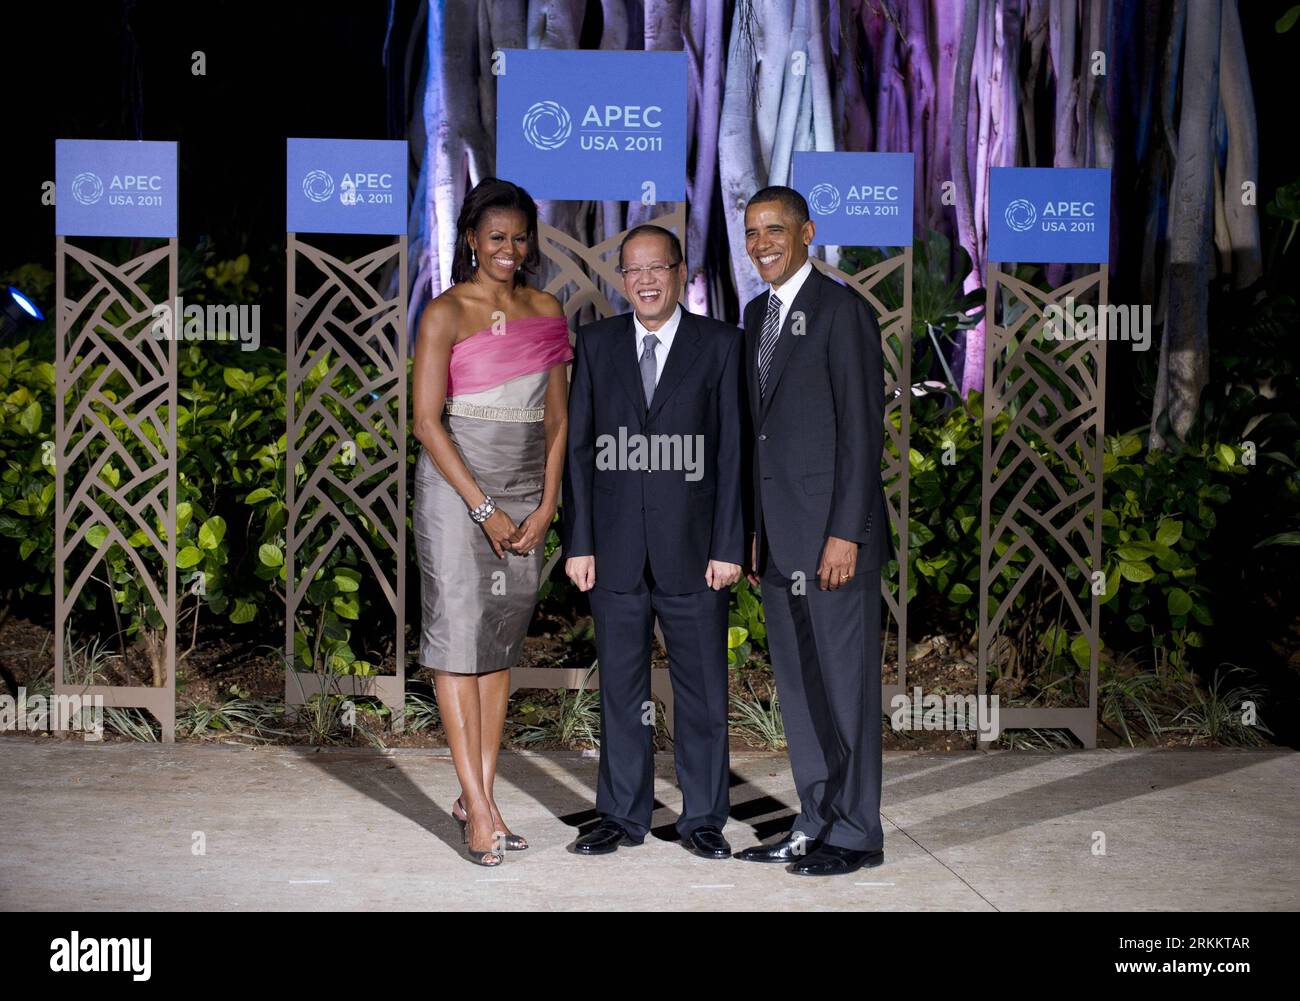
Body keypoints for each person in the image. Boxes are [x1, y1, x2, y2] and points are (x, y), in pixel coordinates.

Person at [561, 224, 744, 859]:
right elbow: (580, 452)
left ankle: (702, 820)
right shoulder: (597, 343)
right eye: (633, 270)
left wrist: (730, 546)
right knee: (619, 691)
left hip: (696, 553)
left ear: (679, 272)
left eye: (656, 268)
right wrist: (578, 542)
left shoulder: (720, 345)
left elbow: (731, 455)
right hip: (612, 550)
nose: (644, 281)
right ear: (622, 278)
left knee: (701, 694)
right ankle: (619, 814)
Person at [734, 185, 896, 876]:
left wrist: (846, 532)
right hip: (776, 543)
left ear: (807, 232)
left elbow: (863, 434)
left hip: (834, 543)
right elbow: (757, 433)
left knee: (846, 688)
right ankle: (818, 817)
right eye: (751, 231)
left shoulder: (843, 312)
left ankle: (858, 831)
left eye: (775, 228)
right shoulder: (754, 315)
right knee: (799, 690)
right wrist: (750, 530)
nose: (762, 241)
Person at [411, 178, 572, 866]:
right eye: (495, 237)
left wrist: (547, 502)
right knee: (457, 642)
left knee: (498, 647)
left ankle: (478, 795)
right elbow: (425, 421)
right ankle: (478, 807)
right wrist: (483, 507)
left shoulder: (546, 309)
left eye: (519, 237)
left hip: (525, 492)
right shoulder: (446, 312)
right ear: (472, 239)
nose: (509, 249)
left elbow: (559, 420)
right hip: (457, 493)